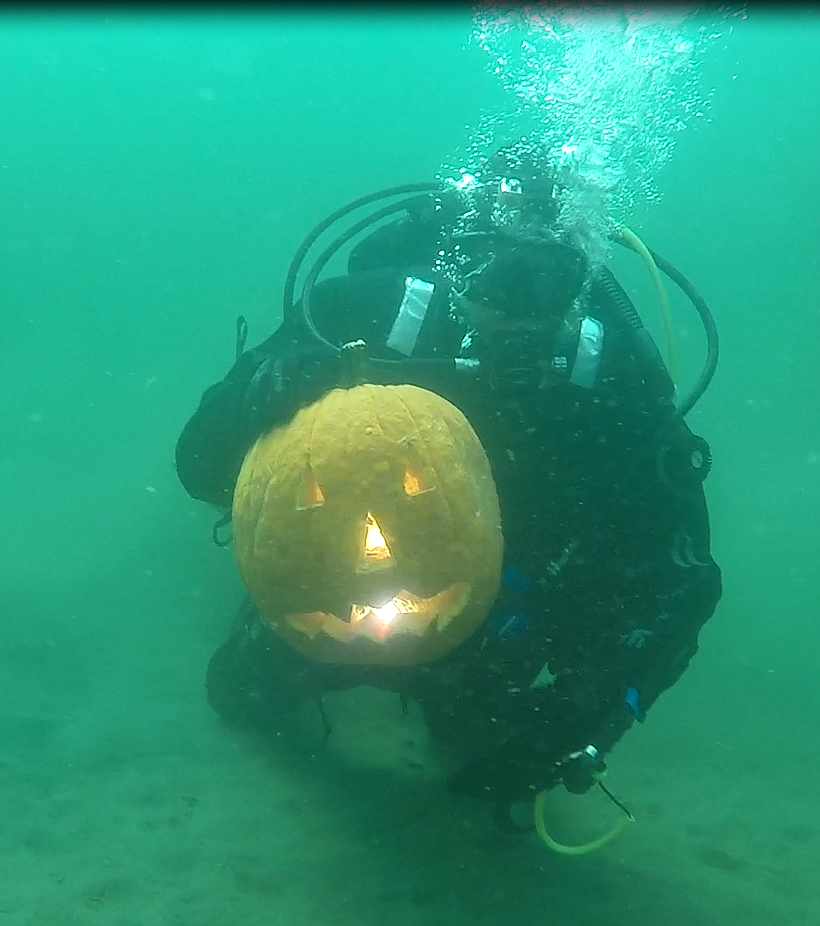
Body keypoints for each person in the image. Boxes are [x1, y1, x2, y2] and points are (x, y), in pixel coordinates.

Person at [175, 145, 722, 821]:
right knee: (241, 694)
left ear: (583, 283)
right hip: (327, 585)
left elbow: (682, 578)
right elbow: (200, 468)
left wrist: (584, 719)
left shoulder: (614, 380)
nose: (524, 307)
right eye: (502, 278)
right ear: (460, 262)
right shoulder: (364, 319)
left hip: (493, 619)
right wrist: (258, 394)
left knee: (476, 739)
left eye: (547, 282)